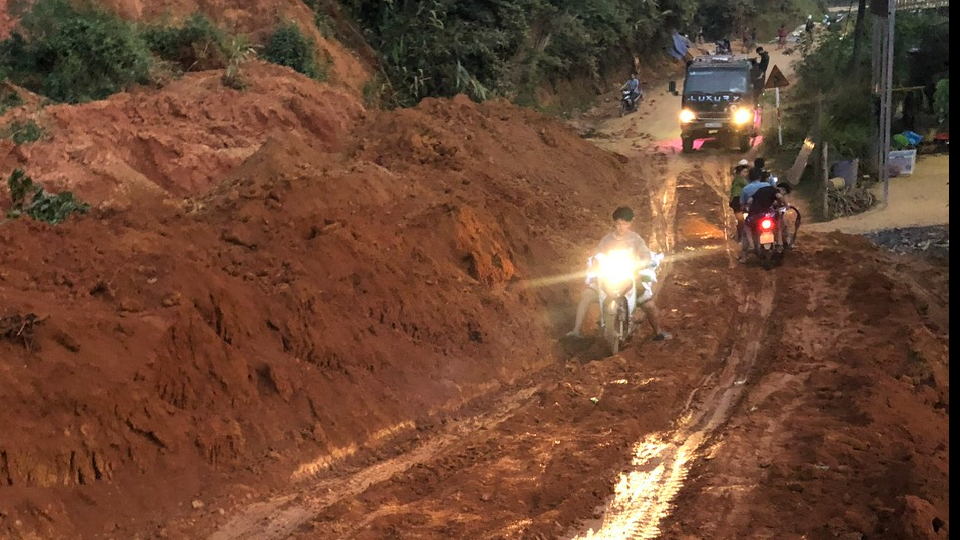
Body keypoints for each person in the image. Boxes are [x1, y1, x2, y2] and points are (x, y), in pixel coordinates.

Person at [567, 206, 672, 341]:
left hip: (631, 277)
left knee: (648, 305)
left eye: (624, 224)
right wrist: (595, 262)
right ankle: (576, 330)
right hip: (609, 276)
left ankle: (658, 332)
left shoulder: (636, 239)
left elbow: (645, 254)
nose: (620, 227)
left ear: (630, 224)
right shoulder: (606, 240)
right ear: (614, 223)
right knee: (587, 295)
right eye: (618, 223)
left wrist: (643, 262)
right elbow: (597, 254)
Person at [729, 159, 751, 240]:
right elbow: (749, 188)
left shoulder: (737, 179)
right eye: (744, 172)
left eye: (747, 172)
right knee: (741, 220)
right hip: (738, 200)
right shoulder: (741, 180)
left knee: (740, 220)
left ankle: (739, 236)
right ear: (740, 172)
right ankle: (740, 237)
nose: (746, 174)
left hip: (736, 201)